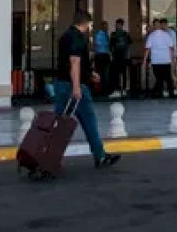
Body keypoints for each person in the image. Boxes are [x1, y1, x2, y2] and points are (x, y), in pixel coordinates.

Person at [54, 11, 120, 169]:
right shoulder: (77, 37)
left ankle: (50, 157)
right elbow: (74, 62)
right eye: (90, 25)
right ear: (86, 23)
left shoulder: (65, 36)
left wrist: (90, 74)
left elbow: (71, 63)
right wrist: (77, 87)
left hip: (61, 84)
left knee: (60, 123)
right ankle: (100, 156)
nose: (90, 27)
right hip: (74, 87)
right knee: (89, 121)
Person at [146, 18, 177, 99]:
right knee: (167, 78)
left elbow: (147, 49)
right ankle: (169, 94)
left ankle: (157, 94)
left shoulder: (151, 36)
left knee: (160, 78)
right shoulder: (166, 35)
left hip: (156, 61)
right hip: (165, 60)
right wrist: (173, 59)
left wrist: (144, 60)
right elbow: (171, 48)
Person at [110, 19, 132, 98]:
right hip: (116, 56)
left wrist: (128, 55)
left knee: (124, 73)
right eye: (116, 24)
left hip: (124, 56)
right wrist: (111, 55)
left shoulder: (126, 34)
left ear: (122, 25)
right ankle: (116, 90)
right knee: (115, 73)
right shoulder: (113, 34)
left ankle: (124, 90)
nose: (117, 26)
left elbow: (129, 44)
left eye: (118, 24)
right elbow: (111, 46)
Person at [93, 20, 111, 94]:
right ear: (102, 26)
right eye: (106, 26)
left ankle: (105, 89)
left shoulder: (106, 34)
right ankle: (99, 90)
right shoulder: (99, 35)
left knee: (106, 73)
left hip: (105, 55)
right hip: (100, 55)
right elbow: (98, 44)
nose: (107, 28)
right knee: (100, 73)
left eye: (107, 26)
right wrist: (107, 44)